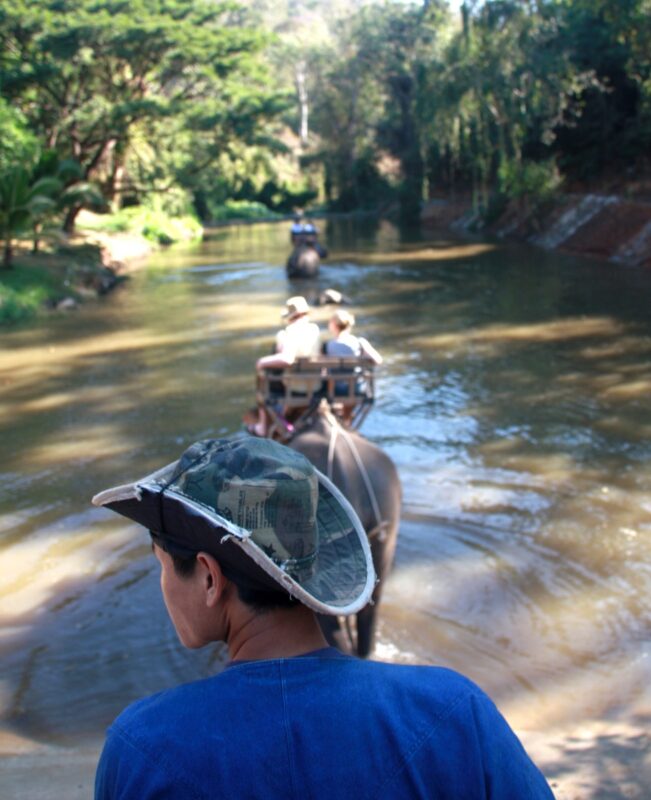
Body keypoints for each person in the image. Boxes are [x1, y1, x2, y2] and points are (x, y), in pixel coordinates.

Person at [92, 435, 555, 800]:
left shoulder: (140, 747)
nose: (163, 585)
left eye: (162, 565)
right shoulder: (455, 713)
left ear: (210, 579)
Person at [252, 296, 321, 437]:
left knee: (263, 388)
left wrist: (261, 362)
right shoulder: (315, 329)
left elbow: (287, 358)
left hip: (295, 387)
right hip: (316, 386)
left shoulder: (288, 332)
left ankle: (263, 428)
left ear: (290, 316)